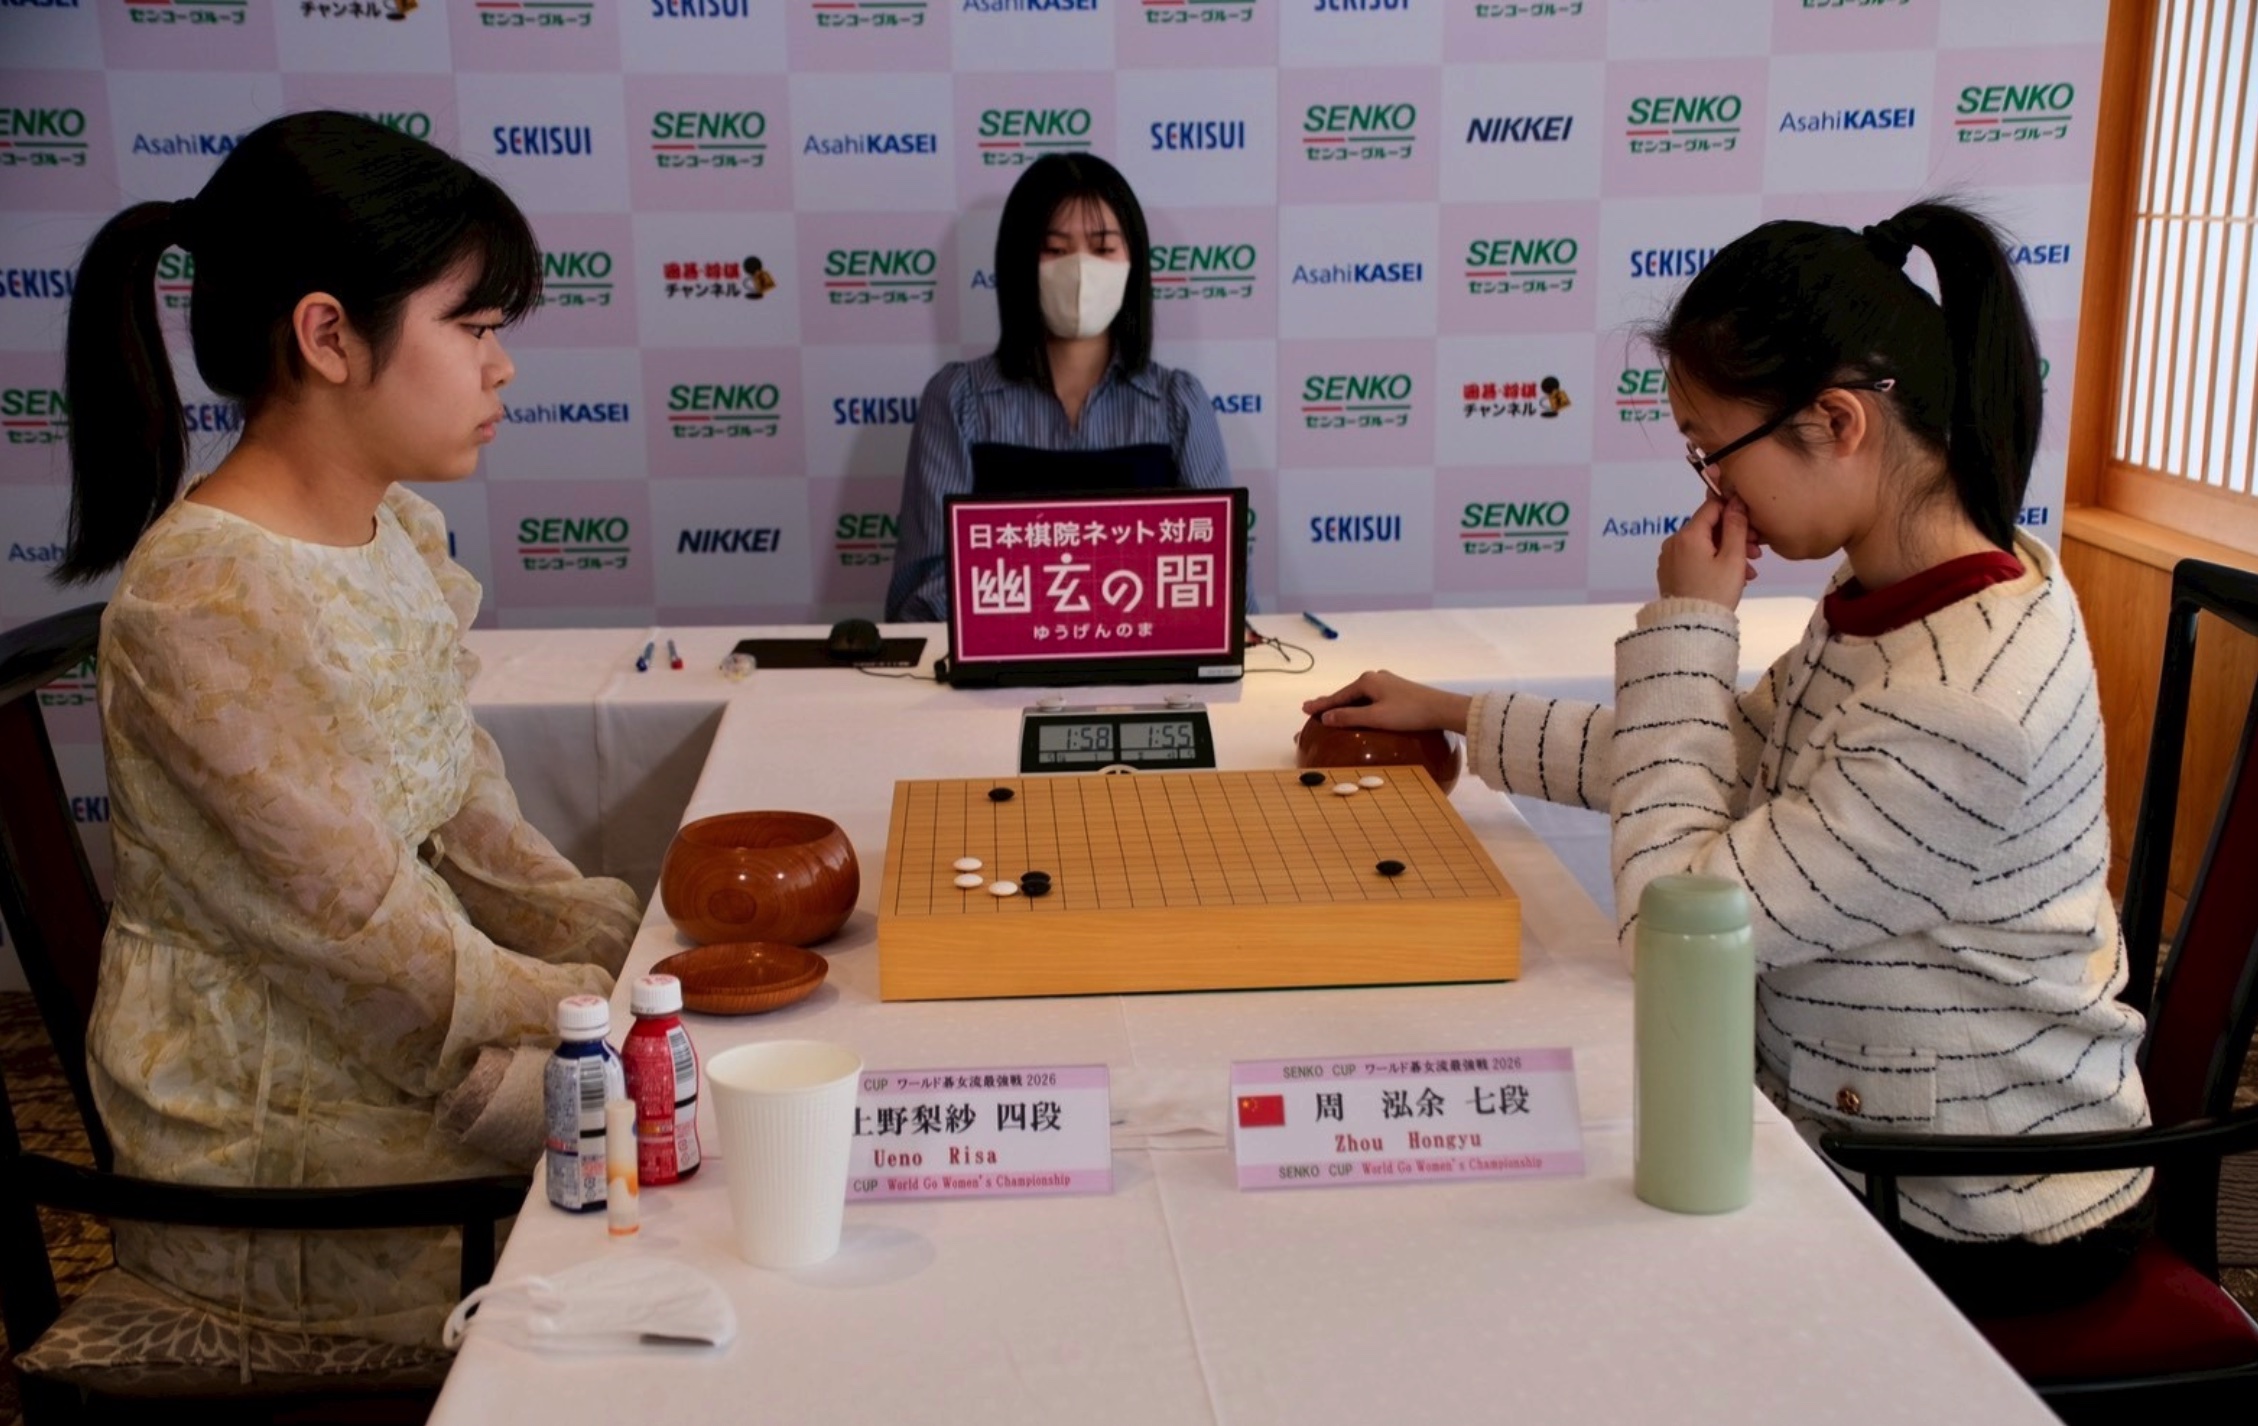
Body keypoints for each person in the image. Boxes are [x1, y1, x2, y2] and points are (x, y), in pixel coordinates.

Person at [1304, 202, 2152, 1317]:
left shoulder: (1961, 702)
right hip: (1871, 1121)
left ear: (1835, 421)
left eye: (1713, 448)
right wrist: (1455, 710)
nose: (1708, 488)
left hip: (1970, 1203)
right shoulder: (1902, 598)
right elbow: (1714, 761)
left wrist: (1687, 626)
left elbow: (1677, 926)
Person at [55, 112, 640, 1353]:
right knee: (661, 1195)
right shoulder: (207, 596)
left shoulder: (391, 530)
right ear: (326, 335)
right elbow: (372, 937)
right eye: (473, 327)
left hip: (379, 1049)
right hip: (271, 1142)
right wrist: (607, 1006)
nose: (501, 367)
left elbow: (470, 823)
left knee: (684, 1135)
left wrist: (621, 942)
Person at [886, 152, 1234, 621]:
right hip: (990, 681)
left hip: (1145, 681)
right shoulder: (957, 401)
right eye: (1054, 249)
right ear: (1017, 264)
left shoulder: (1178, 406)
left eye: (1102, 247)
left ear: (1133, 263)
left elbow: (1223, 586)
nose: (1080, 270)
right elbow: (919, 596)